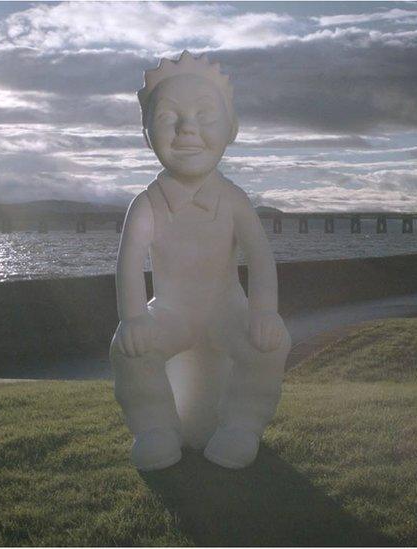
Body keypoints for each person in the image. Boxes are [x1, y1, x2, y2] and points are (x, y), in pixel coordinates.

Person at [111, 51, 290, 471]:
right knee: (131, 350)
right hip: (171, 311)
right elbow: (129, 262)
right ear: (146, 134)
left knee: (268, 341)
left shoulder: (233, 200)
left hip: (225, 308)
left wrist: (263, 312)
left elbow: (261, 257)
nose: (187, 128)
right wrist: (134, 318)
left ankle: (243, 424)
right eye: (169, 117)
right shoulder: (147, 205)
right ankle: (154, 427)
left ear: (232, 129)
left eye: (204, 115)